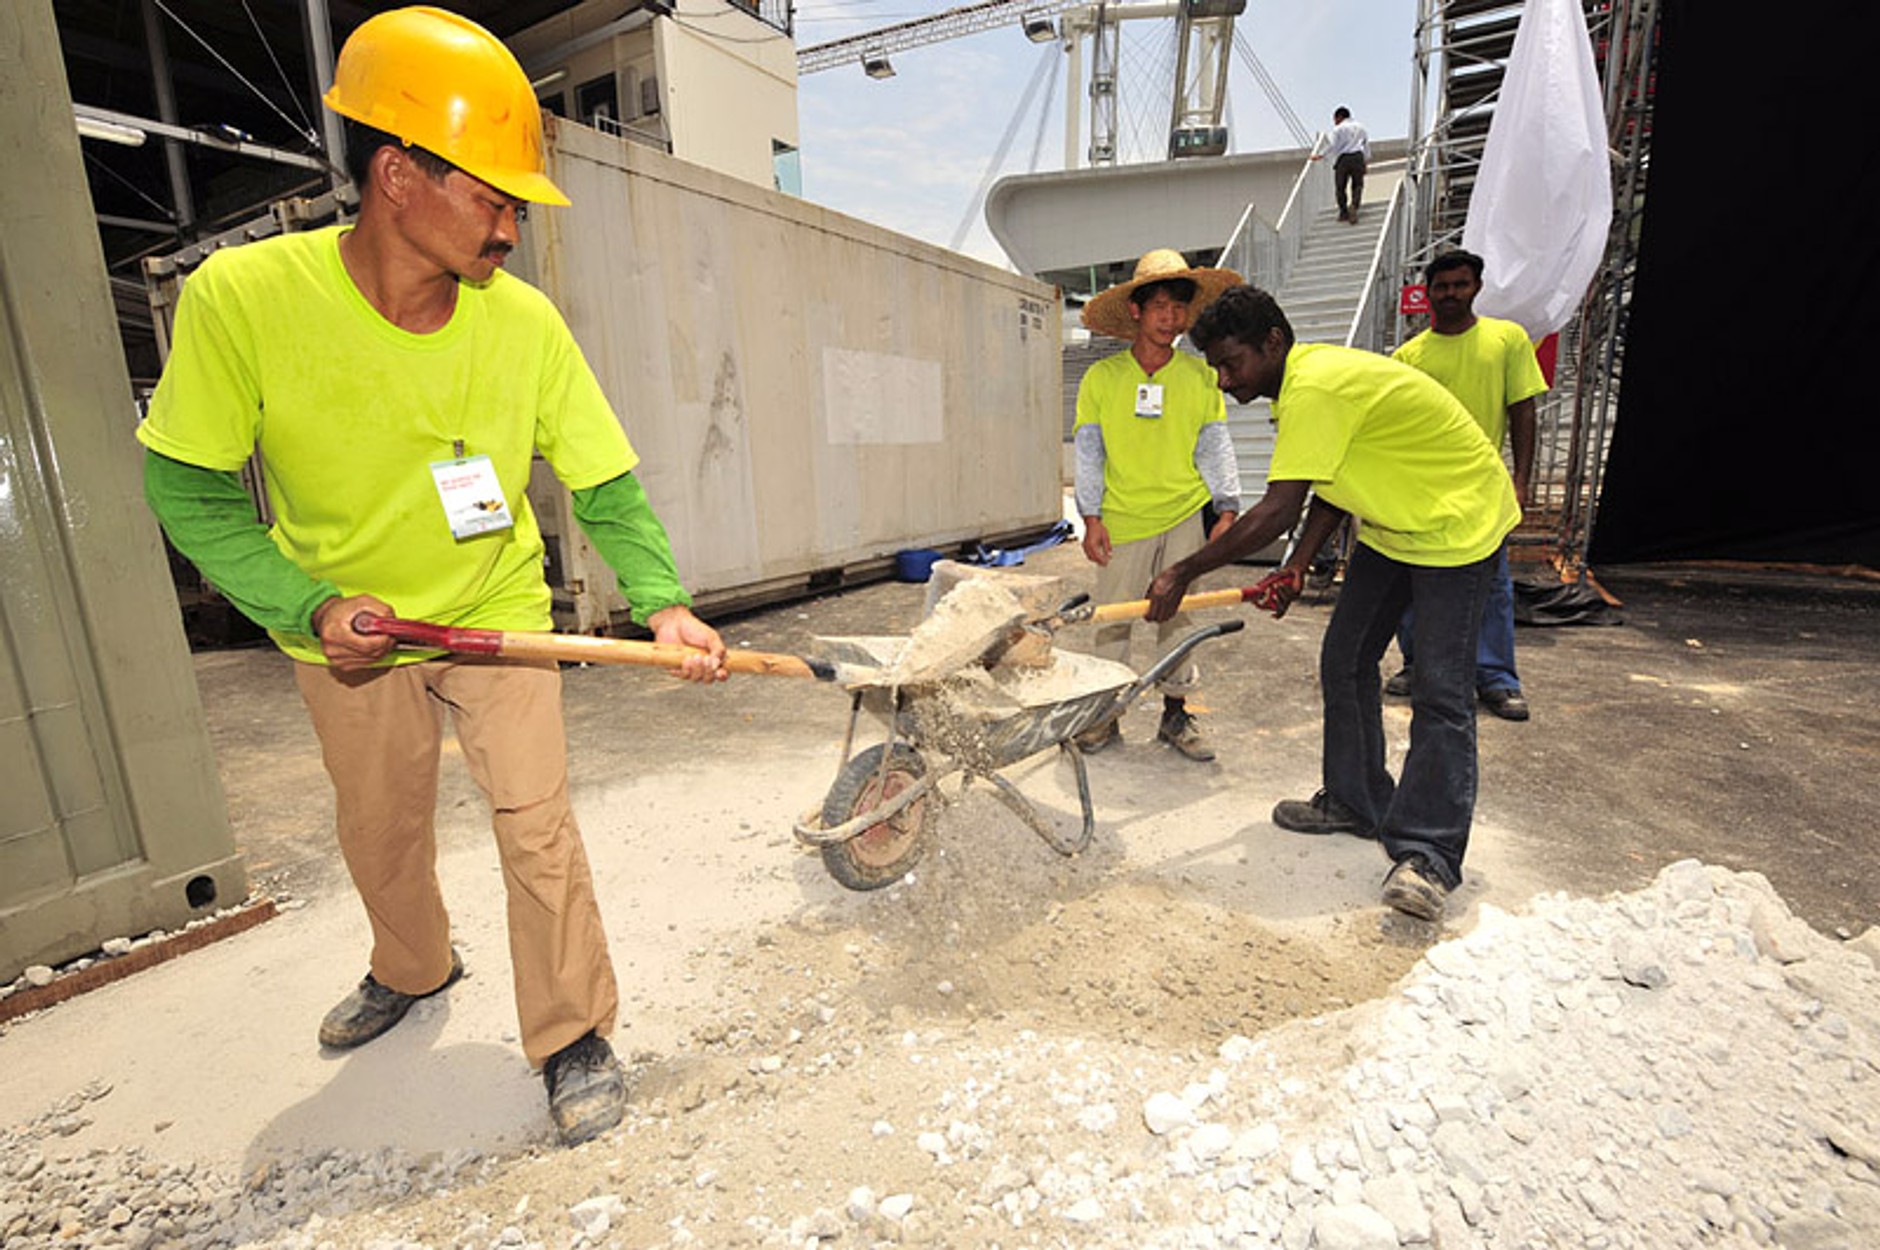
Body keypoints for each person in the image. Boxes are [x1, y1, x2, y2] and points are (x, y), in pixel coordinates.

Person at [135, 6, 728, 1147]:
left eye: (517, 208)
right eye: (494, 200)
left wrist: (662, 600)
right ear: (397, 176)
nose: (510, 228)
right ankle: (411, 966)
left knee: (537, 823)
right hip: (343, 623)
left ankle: (572, 1031)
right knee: (381, 825)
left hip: (496, 609)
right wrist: (306, 603)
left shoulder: (524, 325)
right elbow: (187, 489)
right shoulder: (243, 299)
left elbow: (603, 481)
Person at [1144, 286, 1519, 922]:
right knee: (1345, 657)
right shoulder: (1301, 387)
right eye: (1216, 369)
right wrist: (1296, 565)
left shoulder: (1316, 386)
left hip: (1458, 524)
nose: (1224, 380)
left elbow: (1277, 509)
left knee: (1441, 691)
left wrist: (1184, 571)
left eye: (1231, 363)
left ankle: (1429, 855)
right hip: (1396, 523)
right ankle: (1357, 800)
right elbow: (1330, 483)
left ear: (1272, 343)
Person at [1073, 248, 1244, 762]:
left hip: (1184, 515)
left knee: (1179, 618)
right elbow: (1090, 452)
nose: (1171, 318)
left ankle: (1176, 715)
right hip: (1122, 519)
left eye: (1179, 308)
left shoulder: (1200, 377)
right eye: (1161, 307)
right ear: (1136, 310)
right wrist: (1091, 517)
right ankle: (1104, 715)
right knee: (1112, 621)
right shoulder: (1102, 378)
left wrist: (1227, 508)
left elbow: (1214, 446)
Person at [1386, 250, 1548, 721]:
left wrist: (1520, 480)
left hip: (1483, 491)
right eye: (1441, 286)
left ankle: (1496, 678)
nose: (1450, 294)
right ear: (1428, 293)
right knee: (1414, 582)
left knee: (1492, 586)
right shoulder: (1408, 358)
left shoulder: (1506, 340)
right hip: (1421, 491)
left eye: (1460, 284)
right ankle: (1416, 664)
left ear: (1476, 287)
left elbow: (1522, 411)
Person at [1314, 107, 1371, 224]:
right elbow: (1366, 146)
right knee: (1358, 185)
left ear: (1339, 117)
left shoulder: (1338, 129)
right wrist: (1365, 162)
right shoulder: (1361, 128)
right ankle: (1354, 205)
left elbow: (1333, 145)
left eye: (1334, 119)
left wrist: (1320, 154)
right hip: (1358, 157)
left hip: (1344, 159)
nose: (1334, 122)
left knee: (1340, 187)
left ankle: (1343, 212)